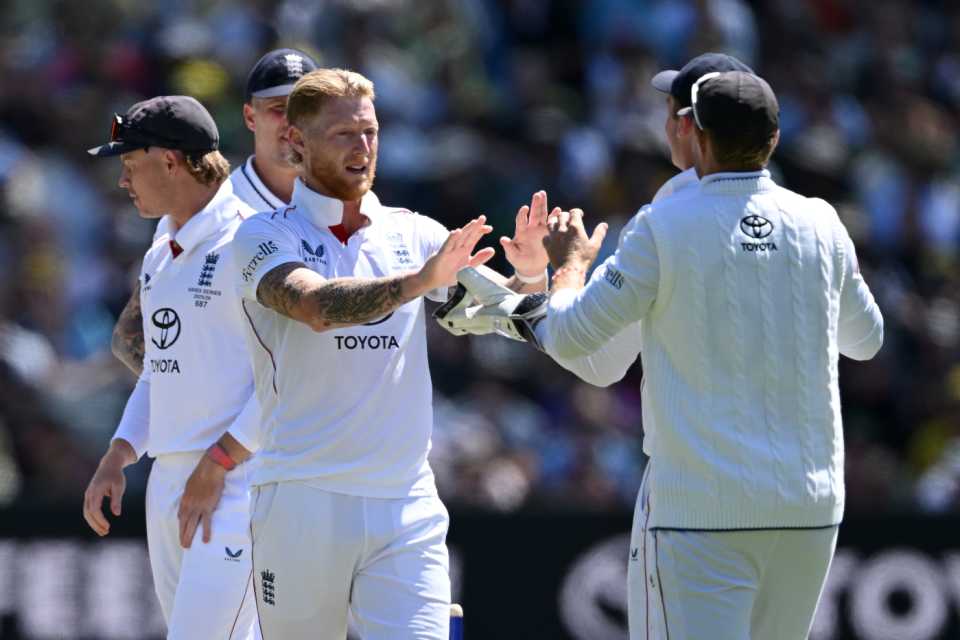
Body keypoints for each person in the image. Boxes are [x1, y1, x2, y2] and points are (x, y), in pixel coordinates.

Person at [452, 71, 884, 639]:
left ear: (695, 135)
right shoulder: (822, 222)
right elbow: (866, 340)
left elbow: (575, 337)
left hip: (699, 513)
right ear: (775, 139)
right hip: (809, 507)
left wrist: (570, 268)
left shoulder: (663, 226)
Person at [223, 67, 548, 639]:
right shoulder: (261, 236)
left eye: (370, 132)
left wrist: (532, 275)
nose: (363, 148)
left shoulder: (415, 233)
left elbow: (503, 318)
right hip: (301, 497)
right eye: (344, 134)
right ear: (296, 141)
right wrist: (419, 281)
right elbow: (315, 306)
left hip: (406, 502)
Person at [82, 95, 261, 639]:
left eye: (130, 165)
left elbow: (289, 377)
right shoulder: (161, 249)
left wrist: (219, 465)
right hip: (170, 482)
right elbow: (161, 368)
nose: (122, 181)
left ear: (169, 161)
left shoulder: (253, 240)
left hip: (237, 483)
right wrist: (119, 453)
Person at [110, 47, 320, 375]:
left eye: (306, 107)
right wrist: (210, 394)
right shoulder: (215, 204)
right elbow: (132, 338)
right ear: (250, 117)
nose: (293, 122)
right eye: (278, 109)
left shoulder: (353, 203)